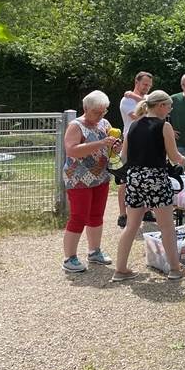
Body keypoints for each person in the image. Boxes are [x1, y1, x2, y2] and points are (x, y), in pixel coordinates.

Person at [112, 90, 185, 281]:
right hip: (156, 178)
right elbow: (173, 157)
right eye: (169, 106)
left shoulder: (134, 125)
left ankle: (120, 270)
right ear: (161, 105)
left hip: (134, 178)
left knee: (131, 225)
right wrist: (183, 159)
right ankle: (174, 269)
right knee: (167, 226)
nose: (170, 110)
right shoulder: (165, 126)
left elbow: (124, 157)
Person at [61, 90, 120, 273]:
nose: (101, 115)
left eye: (104, 111)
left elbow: (112, 149)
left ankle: (94, 251)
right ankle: (69, 257)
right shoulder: (76, 125)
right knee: (79, 216)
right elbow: (72, 150)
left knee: (96, 215)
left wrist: (115, 147)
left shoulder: (104, 123)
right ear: (86, 108)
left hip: (100, 177)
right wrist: (102, 144)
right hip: (78, 179)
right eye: (97, 112)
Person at [116, 71, 154, 228]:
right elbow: (138, 116)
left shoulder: (143, 98)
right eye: (145, 84)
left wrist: (137, 98)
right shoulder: (126, 100)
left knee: (147, 176)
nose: (147, 87)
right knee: (125, 178)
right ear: (136, 82)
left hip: (148, 142)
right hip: (130, 143)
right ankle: (122, 214)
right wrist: (138, 100)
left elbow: (153, 109)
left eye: (149, 85)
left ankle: (145, 210)